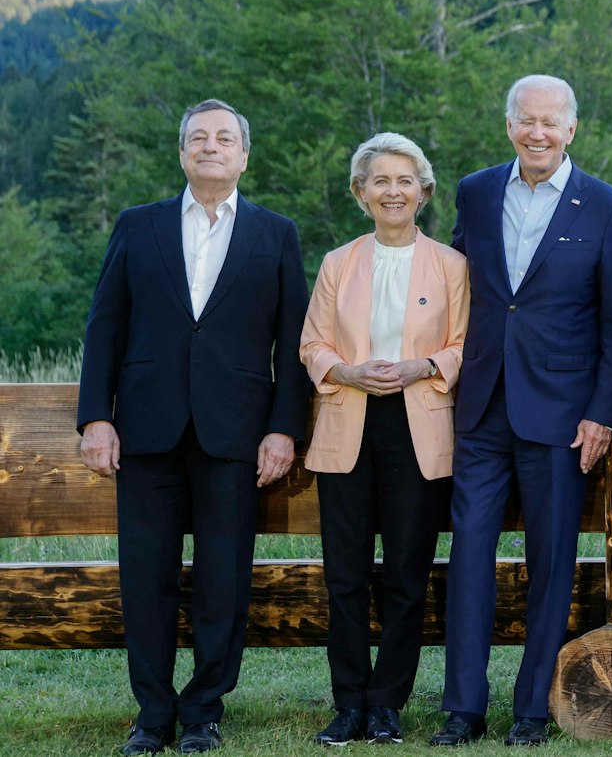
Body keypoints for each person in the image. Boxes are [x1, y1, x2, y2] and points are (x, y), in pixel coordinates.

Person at [77, 98, 311, 756]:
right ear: (182, 153)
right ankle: (152, 714)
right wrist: (97, 416)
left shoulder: (276, 233)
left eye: (224, 137)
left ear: (243, 155)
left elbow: (292, 341)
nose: (211, 146)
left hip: (236, 435)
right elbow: (104, 327)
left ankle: (204, 710)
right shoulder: (137, 225)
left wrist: (283, 428)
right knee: (145, 577)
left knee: (223, 577)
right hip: (145, 432)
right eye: (198, 138)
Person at [434, 75, 612, 748]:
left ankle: (530, 709)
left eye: (551, 121)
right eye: (526, 120)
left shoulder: (606, 206)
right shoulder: (476, 190)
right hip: (481, 405)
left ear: (572, 129)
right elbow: (455, 284)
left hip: (562, 415)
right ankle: (462, 708)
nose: (538, 132)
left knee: (552, 565)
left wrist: (602, 413)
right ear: (510, 125)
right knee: (469, 558)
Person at [299, 133, 468, 746]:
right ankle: (348, 701)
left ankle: (387, 703)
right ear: (360, 192)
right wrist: (346, 371)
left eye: (405, 181)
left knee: (405, 571)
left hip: (417, 429)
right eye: (380, 181)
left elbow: (464, 344)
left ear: (423, 192)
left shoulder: (451, 265)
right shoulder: (337, 263)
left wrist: (421, 367)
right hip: (348, 421)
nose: (392, 191)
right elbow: (311, 343)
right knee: (344, 573)